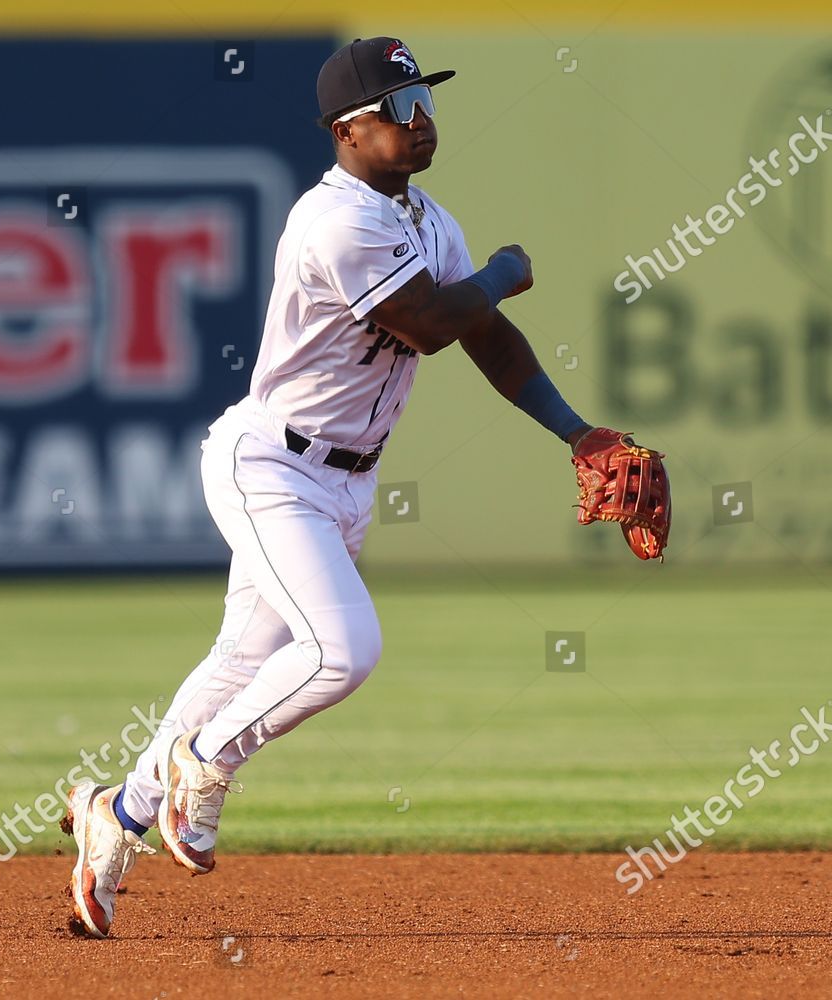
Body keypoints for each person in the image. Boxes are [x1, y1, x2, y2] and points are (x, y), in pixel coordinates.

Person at [62, 36, 598, 938]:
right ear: (348, 129)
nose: (419, 118)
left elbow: (485, 338)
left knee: (240, 663)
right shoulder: (334, 220)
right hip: (271, 465)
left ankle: (114, 819)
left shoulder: (428, 218)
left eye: (423, 98)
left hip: (346, 483)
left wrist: (577, 433)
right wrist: (502, 272)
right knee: (345, 649)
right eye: (397, 106)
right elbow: (428, 324)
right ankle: (209, 756)